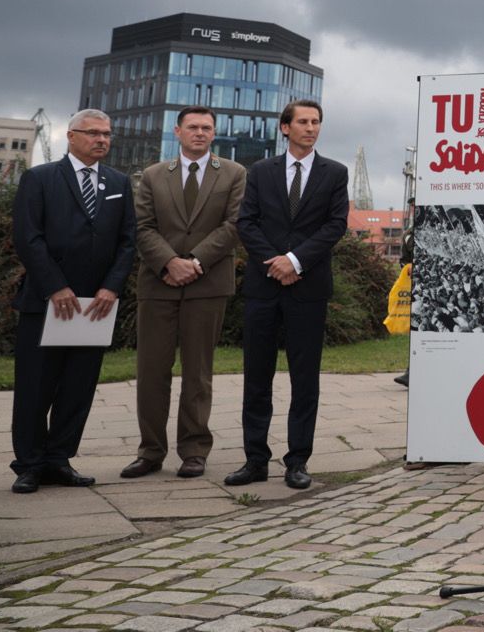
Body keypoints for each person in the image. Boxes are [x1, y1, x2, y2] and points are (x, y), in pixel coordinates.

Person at [8, 109, 134, 493]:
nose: (101, 140)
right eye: (93, 133)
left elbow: (128, 240)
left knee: (78, 387)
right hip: (48, 301)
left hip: (96, 306)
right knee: (35, 386)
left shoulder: (118, 182)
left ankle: (59, 459)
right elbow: (28, 237)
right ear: (71, 135)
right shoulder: (40, 178)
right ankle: (29, 464)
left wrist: (112, 287)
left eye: (107, 134)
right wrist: (55, 287)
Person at [228, 99, 349, 491]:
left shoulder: (335, 173)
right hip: (264, 287)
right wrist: (274, 262)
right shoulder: (261, 172)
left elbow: (335, 226)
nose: (311, 128)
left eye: (316, 122)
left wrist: (295, 262)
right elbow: (247, 222)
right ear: (285, 127)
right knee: (257, 376)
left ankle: (297, 461)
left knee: (304, 379)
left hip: (308, 288)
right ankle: (254, 460)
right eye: (302, 122)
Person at [124, 106, 247, 480]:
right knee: (151, 371)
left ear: (214, 133)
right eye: (192, 127)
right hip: (158, 283)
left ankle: (194, 450)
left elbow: (235, 224)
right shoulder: (153, 175)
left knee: (198, 371)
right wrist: (169, 263)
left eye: (206, 128)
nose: (200, 133)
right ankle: (150, 451)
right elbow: (142, 226)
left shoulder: (234, 173)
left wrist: (194, 261)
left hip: (207, 282)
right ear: (177, 131)